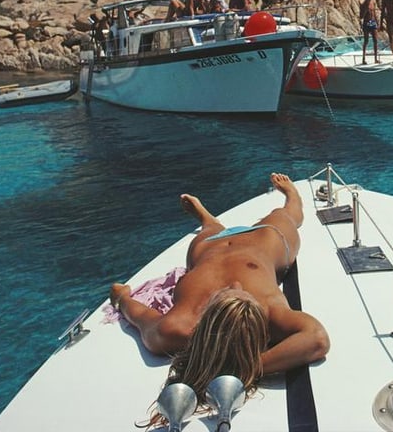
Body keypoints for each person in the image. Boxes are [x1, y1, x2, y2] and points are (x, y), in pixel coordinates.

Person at [109, 174, 329, 417]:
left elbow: (139, 315)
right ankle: (291, 197)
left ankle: (208, 219)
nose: (236, 283)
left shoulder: (177, 327)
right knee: (284, 216)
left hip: (210, 246)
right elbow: (317, 339)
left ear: (209, 315)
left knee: (211, 230)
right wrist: (249, 367)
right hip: (266, 239)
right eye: (243, 294)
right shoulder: (268, 310)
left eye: (227, 294)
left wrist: (121, 298)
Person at [359, 0, 380, 64]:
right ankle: (363, 59)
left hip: (372, 21)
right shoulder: (363, 4)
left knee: (375, 40)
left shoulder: (373, 2)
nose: (369, 0)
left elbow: (374, 13)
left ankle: (376, 59)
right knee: (366, 41)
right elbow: (361, 16)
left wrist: (377, 23)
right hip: (366, 23)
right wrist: (365, 11)